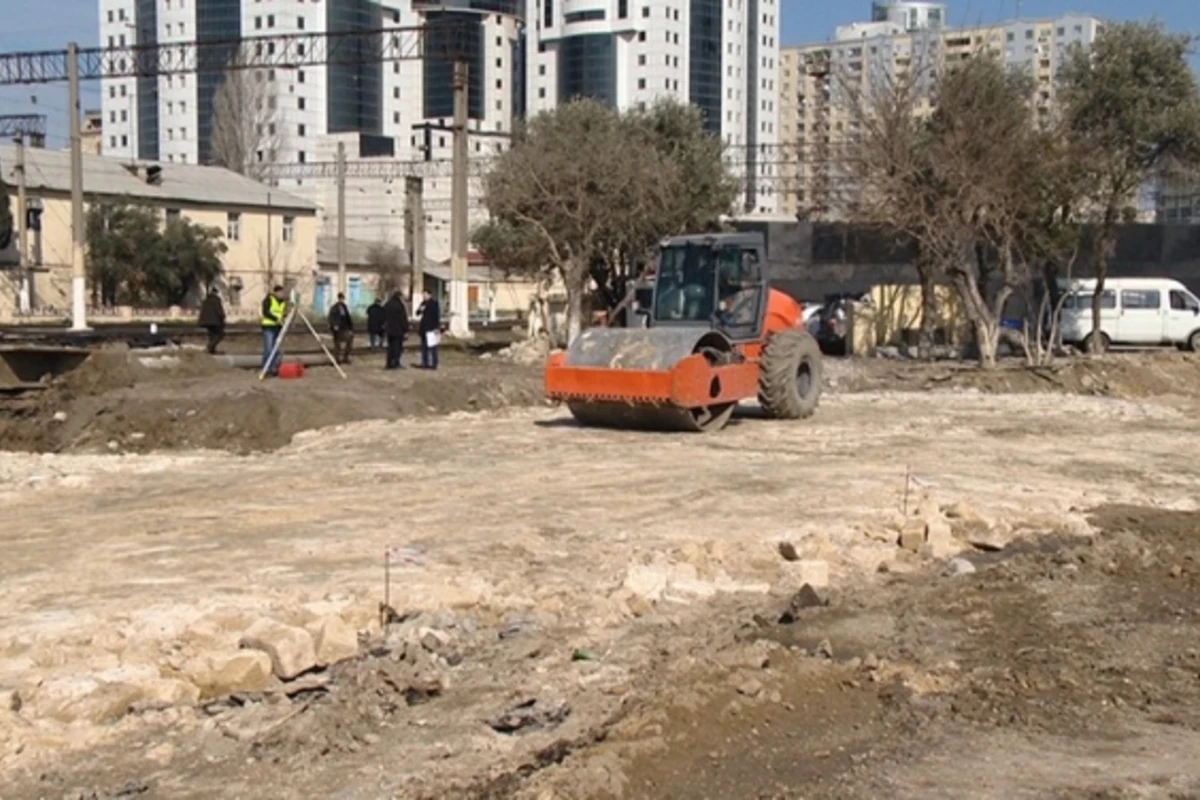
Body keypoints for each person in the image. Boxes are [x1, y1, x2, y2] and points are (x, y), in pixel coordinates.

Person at [260, 284, 288, 376]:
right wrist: (276, 319)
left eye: (282, 292)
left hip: (277, 327)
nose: (282, 294)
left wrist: (284, 317)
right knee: (268, 348)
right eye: (280, 292)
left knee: (275, 349)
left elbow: (282, 313)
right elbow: (266, 312)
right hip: (268, 326)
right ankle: (266, 368)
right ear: (275, 292)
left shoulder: (283, 302)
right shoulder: (268, 300)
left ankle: (274, 367)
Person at [383, 290, 409, 370]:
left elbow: (383, 315)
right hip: (398, 330)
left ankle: (389, 363)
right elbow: (403, 319)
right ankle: (396, 363)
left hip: (389, 330)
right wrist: (406, 330)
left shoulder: (387, 304)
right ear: (400, 297)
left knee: (390, 347)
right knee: (397, 348)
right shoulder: (400, 305)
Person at [417, 290, 442, 370]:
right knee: (424, 347)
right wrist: (421, 309)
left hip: (431, 328)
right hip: (424, 328)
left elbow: (437, 316)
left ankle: (434, 364)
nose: (424, 296)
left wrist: (436, 327)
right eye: (423, 295)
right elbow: (417, 313)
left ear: (429, 295)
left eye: (425, 295)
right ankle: (425, 363)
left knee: (432, 347)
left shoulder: (434, 304)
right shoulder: (423, 303)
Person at [327, 292, 355, 365]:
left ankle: (345, 357)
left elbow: (347, 318)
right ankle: (337, 359)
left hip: (345, 328)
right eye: (341, 299)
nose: (342, 300)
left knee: (349, 342)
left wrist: (350, 328)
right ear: (338, 298)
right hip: (338, 329)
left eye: (343, 299)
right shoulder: (334, 308)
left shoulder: (344, 307)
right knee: (337, 344)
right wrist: (334, 325)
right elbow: (331, 318)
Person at [198, 286, 226, 355]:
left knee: (211, 335)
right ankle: (209, 347)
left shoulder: (206, 300)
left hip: (205, 321)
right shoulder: (216, 300)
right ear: (216, 293)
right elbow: (219, 311)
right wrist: (223, 318)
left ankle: (212, 351)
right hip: (214, 321)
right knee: (220, 335)